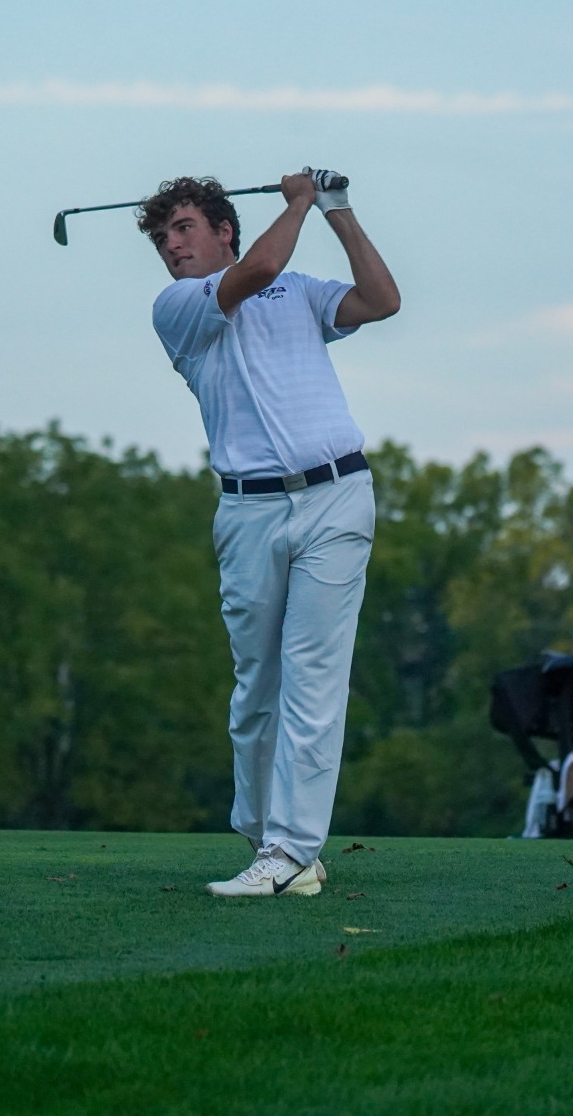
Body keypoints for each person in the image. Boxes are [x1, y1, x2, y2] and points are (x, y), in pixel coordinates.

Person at [144, 169, 401, 896]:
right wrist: (297, 201)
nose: (172, 246)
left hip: (337, 497)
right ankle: (267, 840)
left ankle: (290, 852)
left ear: (223, 227)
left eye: (184, 228)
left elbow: (383, 299)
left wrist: (337, 209)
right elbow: (259, 267)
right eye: (163, 237)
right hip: (248, 510)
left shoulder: (302, 291)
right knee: (258, 686)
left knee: (314, 679)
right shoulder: (179, 307)